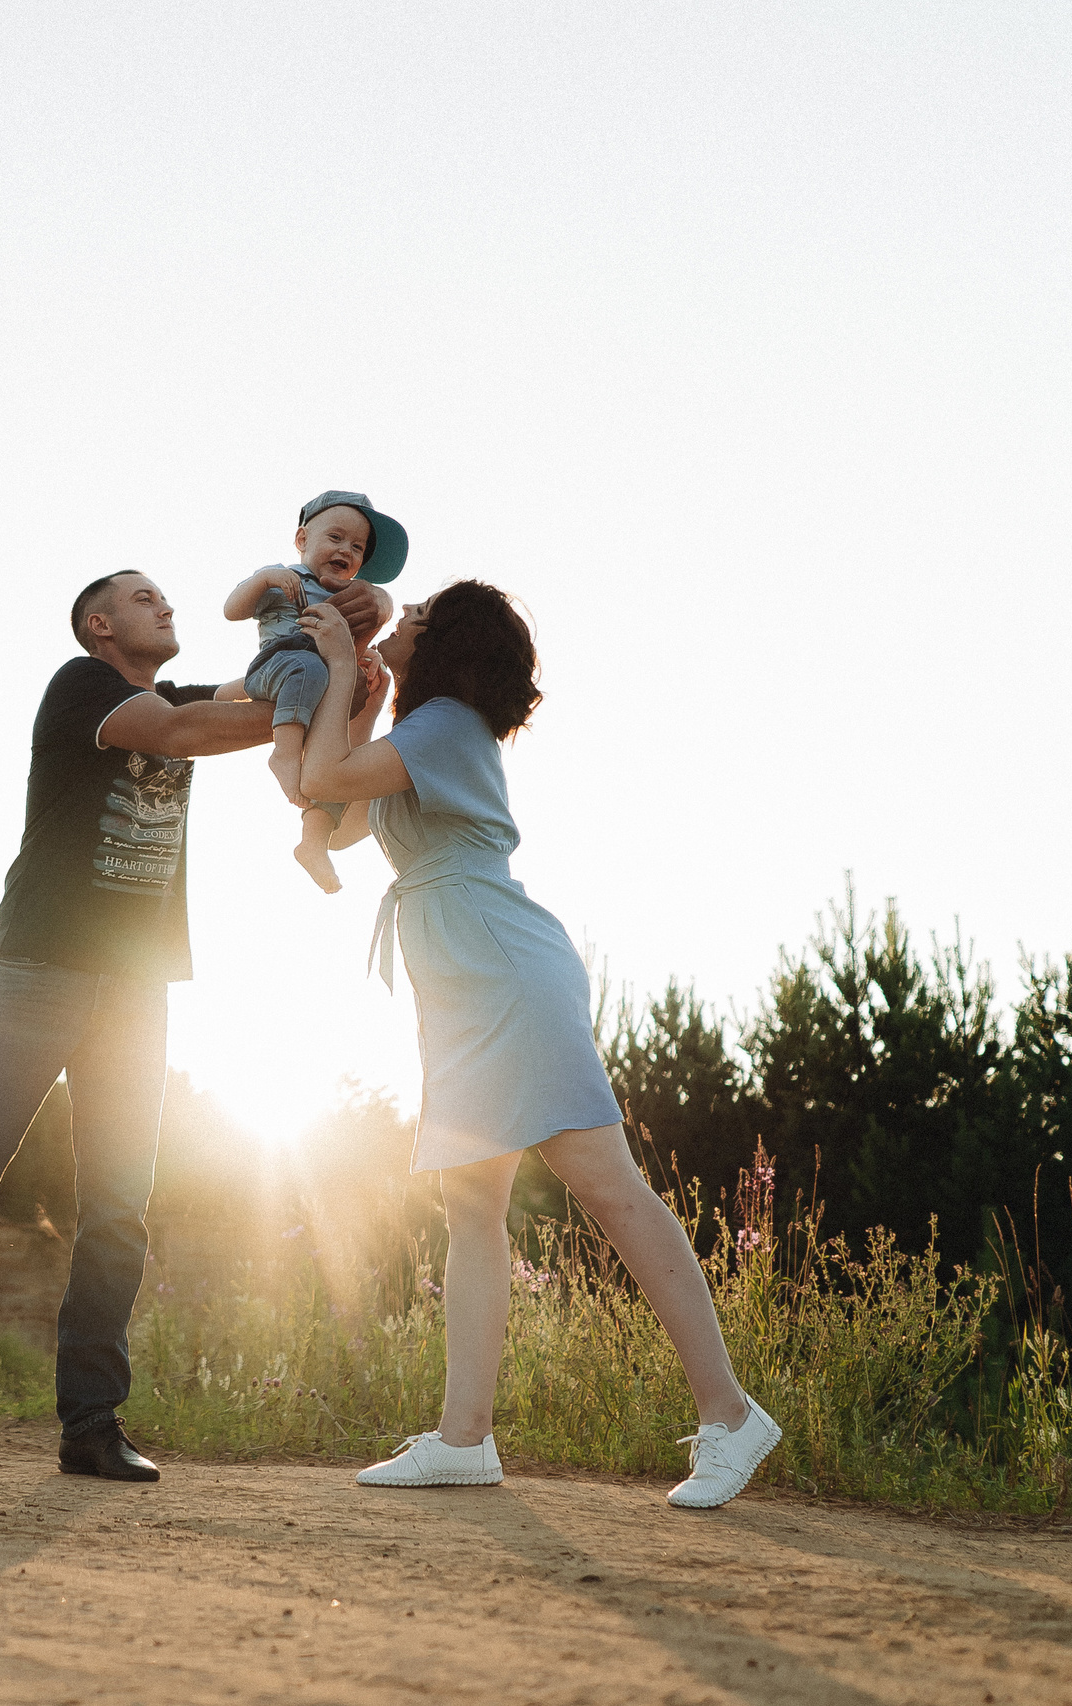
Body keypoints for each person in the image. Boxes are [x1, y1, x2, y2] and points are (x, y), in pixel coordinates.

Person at [0, 567, 386, 1486]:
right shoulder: (82, 687)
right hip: (40, 973)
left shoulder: (178, 697)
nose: (165, 605)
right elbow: (183, 732)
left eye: (165, 598)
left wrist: (347, 661)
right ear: (99, 625)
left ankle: (90, 1424)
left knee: (119, 1210)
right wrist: (312, 688)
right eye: (142, 600)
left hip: (136, 988)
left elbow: (257, 719)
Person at [295, 583, 783, 1509]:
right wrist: (347, 692)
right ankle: (464, 1437)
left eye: (418, 618)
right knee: (472, 1208)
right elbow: (327, 803)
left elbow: (323, 784)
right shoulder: (426, 735)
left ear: (445, 646)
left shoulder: (443, 725)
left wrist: (329, 672)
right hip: (471, 977)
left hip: (502, 973)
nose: (397, 623)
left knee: (608, 1188)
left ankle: (730, 1415)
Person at [220, 490, 406, 895]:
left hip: (319, 687)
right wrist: (263, 579)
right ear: (302, 540)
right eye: (336, 538)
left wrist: (366, 659)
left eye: (357, 547)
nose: (346, 550)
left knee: (340, 762)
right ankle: (284, 752)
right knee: (304, 664)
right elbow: (232, 610)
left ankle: (313, 843)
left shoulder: (353, 598)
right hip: (280, 665)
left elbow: (347, 655)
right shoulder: (285, 578)